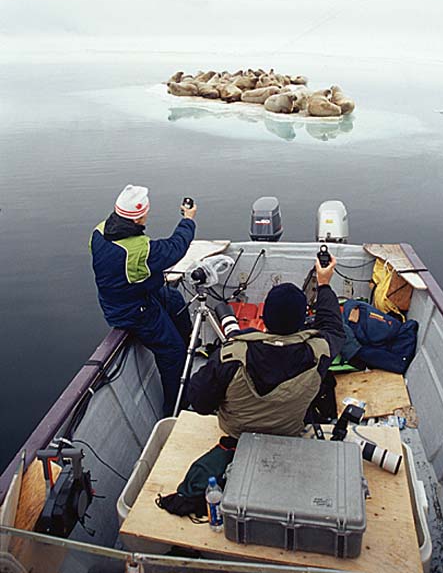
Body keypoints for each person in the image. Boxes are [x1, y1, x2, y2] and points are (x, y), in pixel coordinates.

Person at [187, 255, 345, 438]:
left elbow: (199, 402)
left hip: (236, 432)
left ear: (265, 317)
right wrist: (324, 284)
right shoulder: (319, 352)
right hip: (289, 431)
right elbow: (333, 327)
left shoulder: (231, 354)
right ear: (303, 320)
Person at [90, 185, 197, 415]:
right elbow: (175, 248)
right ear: (139, 215)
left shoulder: (99, 231)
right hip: (132, 310)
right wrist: (188, 220)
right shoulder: (138, 250)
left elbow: (118, 268)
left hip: (125, 295)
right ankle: (175, 407)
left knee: (175, 300)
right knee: (171, 352)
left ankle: (190, 344)